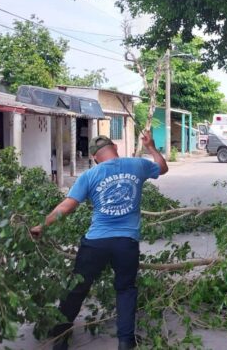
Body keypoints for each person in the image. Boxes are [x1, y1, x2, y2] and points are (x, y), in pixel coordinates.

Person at [30, 132, 168, 350]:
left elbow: (66, 207)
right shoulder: (137, 165)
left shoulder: (89, 175)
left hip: (96, 242)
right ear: (115, 147)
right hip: (126, 242)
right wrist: (150, 146)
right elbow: (162, 167)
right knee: (125, 290)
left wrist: (42, 225)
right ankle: (125, 342)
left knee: (77, 289)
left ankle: (61, 339)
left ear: (94, 157)